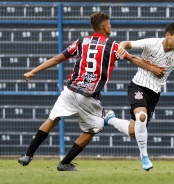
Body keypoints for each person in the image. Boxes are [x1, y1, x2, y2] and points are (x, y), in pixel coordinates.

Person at [17, 12, 164, 171]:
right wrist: (153, 68)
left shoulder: (81, 42)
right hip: (87, 95)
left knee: (53, 118)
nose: (110, 26)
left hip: (70, 89)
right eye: (109, 24)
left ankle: (28, 154)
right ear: (103, 26)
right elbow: (133, 59)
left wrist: (33, 71)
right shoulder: (113, 45)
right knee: (94, 127)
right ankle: (65, 162)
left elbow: (57, 59)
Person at [104, 22, 174, 171]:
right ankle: (144, 157)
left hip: (154, 93)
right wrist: (121, 46)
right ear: (167, 35)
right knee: (141, 117)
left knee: (133, 131)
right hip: (138, 86)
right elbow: (127, 43)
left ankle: (110, 119)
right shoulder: (152, 43)